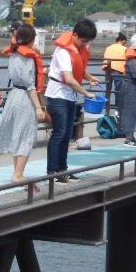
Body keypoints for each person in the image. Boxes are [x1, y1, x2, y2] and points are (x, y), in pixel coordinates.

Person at [45, 18, 99, 184]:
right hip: (57, 95)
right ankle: (52, 172)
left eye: (88, 41)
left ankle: (63, 170)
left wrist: (89, 77)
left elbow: (78, 70)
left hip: (69, 96)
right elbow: (68, 78)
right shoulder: (63, 51)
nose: (85, 44)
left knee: (67, 134)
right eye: (83, 40)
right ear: (74, 35)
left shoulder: (76, 49)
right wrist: (86, 93)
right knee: (59, 133)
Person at [0, 25, 45, 183]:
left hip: (14, 95)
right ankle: (18, 175)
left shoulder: (14, 54)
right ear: (32, 39)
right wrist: (38, 107)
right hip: (25, 99)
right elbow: (30, 85)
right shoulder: (28, 57)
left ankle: (17, 172)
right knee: (26, 135)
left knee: (17, 134)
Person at [102, 32, 127, 107]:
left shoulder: (109, 47)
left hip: (107, 69)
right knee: (118, 90)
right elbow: (126, 61)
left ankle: (107, 108)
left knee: (108, 90)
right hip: (118, 70)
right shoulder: (125, 49)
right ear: (123, 41)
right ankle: (117, 108)